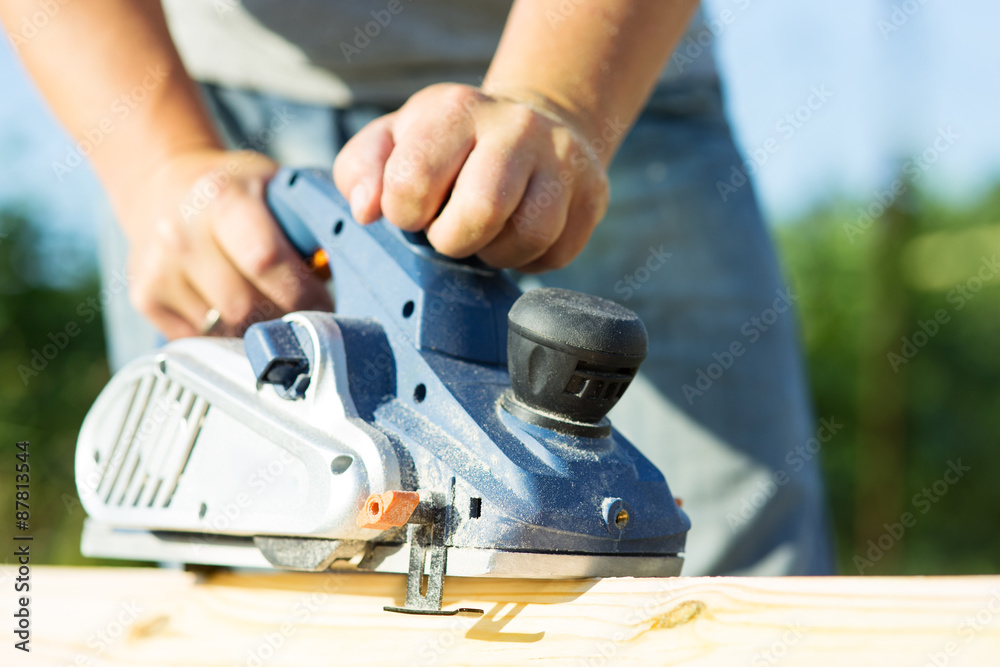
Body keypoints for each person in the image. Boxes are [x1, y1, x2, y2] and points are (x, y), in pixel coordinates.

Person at [1, 0, 832, 576]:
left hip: (612, 76)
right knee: (211, 586)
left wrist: (559, 97)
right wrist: (157, 164)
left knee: (729, 563)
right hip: (186, 90)